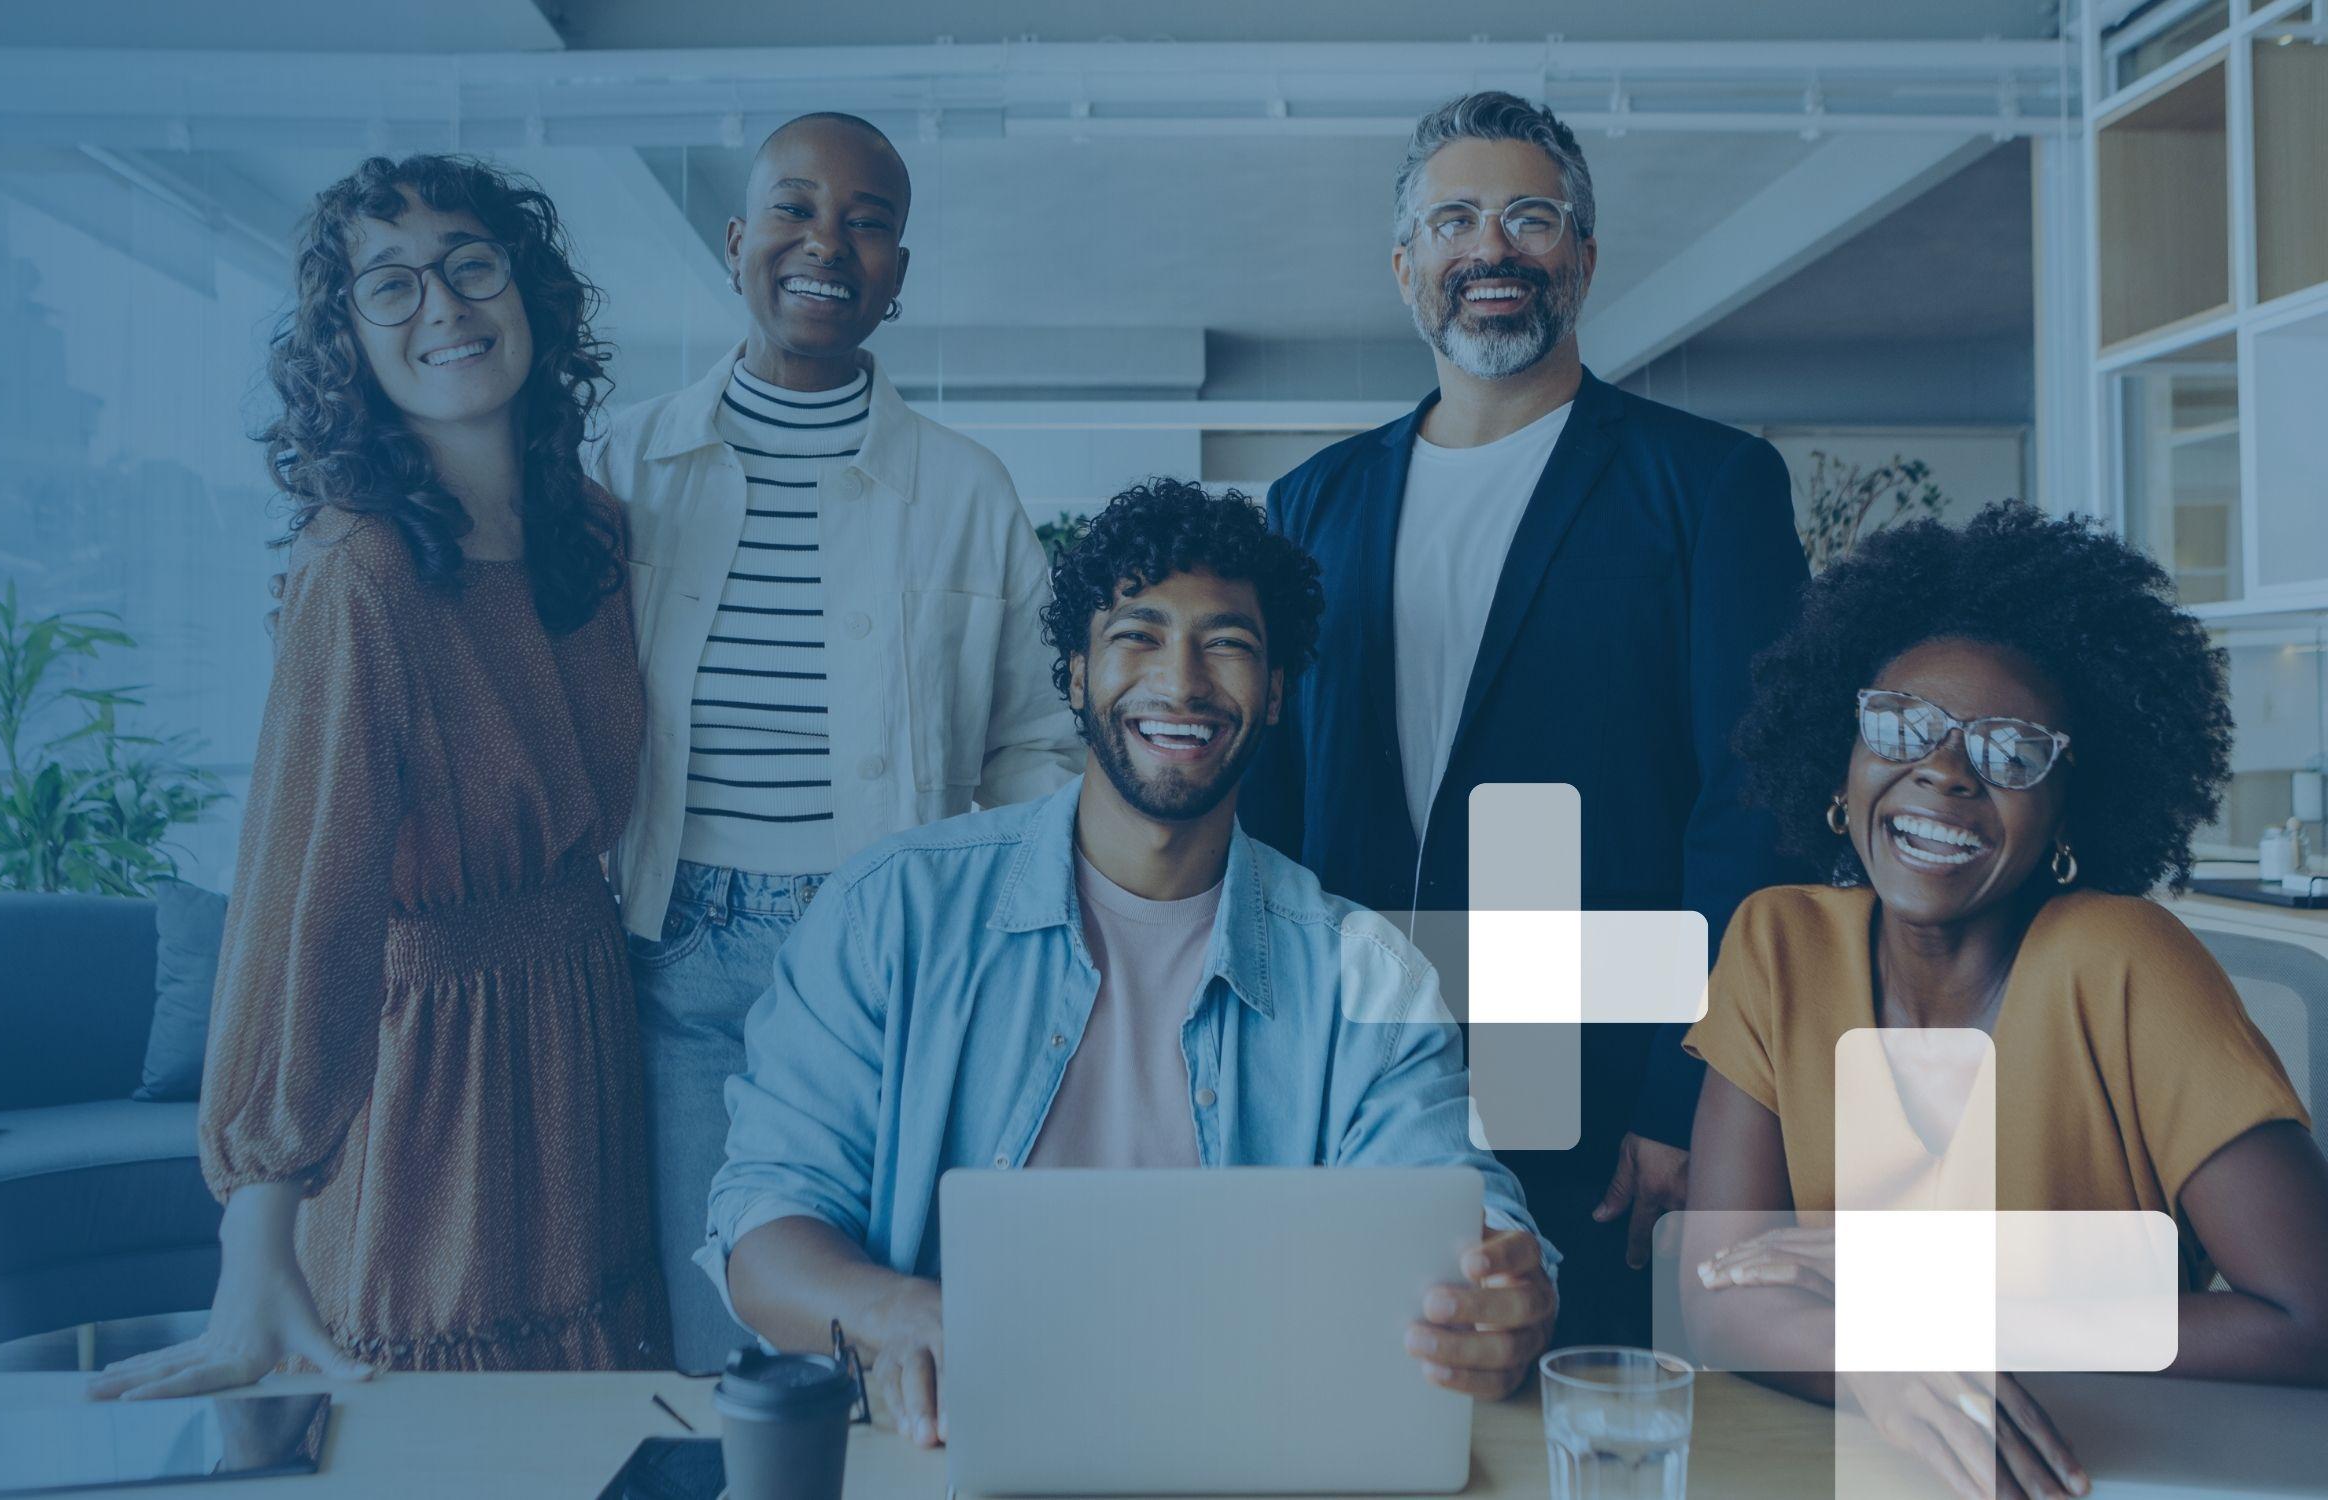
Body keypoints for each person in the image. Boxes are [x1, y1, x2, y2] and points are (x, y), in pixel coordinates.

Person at [706, 481, 1558, 1447]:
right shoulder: (888, 915)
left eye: (1228, 643)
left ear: (1275, 692)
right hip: (948, 1448)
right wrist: (910, 1318)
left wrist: (1502, 1289)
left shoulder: (1367, 974)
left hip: (1253, 1445)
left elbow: (1456, 1201)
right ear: (1074, 675)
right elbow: (764, 1225)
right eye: (1138, 635)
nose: (1183, 682)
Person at [91, 155, 664, 1397]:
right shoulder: (361, 576)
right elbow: (309, 901)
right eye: (389, 287)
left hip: (582, 1029)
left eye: (470, 266)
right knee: (453, 1425)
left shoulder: (596, 532)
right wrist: (261, 1219)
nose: (444, 310)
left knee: (600, 1426)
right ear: (346, 340)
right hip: (439, 1073)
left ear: (531, 295)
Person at [1239, 91, 1806, 1346]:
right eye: (1454, 220)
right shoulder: (1309, 503)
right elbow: (1270, 815)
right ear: (1406, 268)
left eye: (1529, 217)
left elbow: (1752, 812)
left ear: (1584, 259)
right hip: (1363, 1067)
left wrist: (1688, 1091)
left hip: (1602, 1087)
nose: (1490, 248)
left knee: (1587, 1418)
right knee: (1373, 1404)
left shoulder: (1710, 487)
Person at [1681, 503, 2328, 1500]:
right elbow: (1720, 1294)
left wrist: (1921, 1303)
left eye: (2011, 751)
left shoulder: (2121, 961)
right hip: (1853, 1467)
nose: (1943, 772)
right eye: (1902, 727)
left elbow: (2308, 1315)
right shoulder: (1779, 944)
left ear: (2069, 808)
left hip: (2100, 1472)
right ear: (1840, 768)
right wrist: (1879, 1367)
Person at [587, 111, 1081, 1371]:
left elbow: (1035, 743)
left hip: (890, 950)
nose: (830, 242)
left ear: (899, 273)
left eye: (869, 222)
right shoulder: (626, 462)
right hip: (675, 952)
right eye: (798, 210)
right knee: (730, 1335)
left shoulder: (967, 489)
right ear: (740, 239)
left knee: (898, 1315)